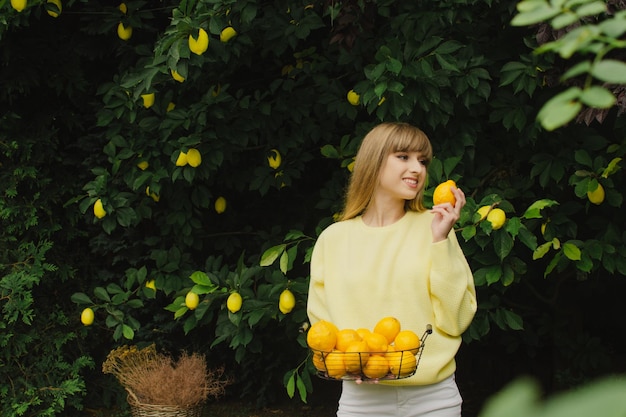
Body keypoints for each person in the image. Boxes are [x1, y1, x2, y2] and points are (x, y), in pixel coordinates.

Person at [307, 122, 477, 417]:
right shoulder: (332, 239)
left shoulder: (434, 227)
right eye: (403, 156)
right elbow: (323, 327)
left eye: (422, 161)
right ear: (374, 161)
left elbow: (457, 319)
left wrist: (440, 240)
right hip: (362, 399)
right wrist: (345, 364)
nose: (418, 169)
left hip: (434, 398)